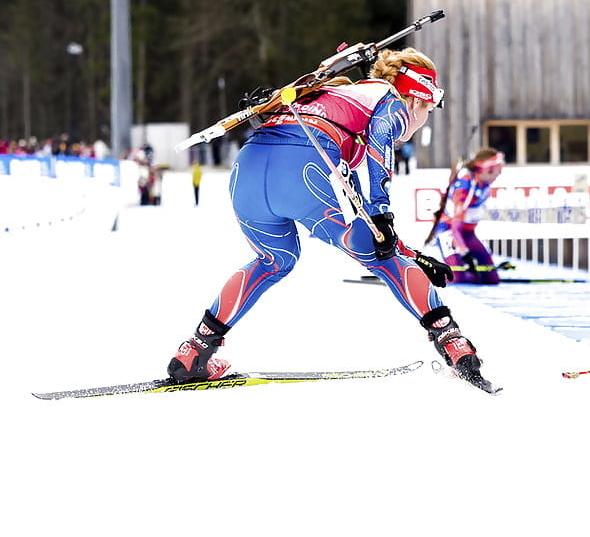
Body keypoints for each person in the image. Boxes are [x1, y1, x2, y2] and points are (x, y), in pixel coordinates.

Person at [166, 47, 497, 392]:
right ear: (418, 101)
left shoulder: (334, 94)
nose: (424, 118)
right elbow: (380, 146)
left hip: (246, 171)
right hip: (302, 168)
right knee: (382, 260)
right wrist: (384, 218)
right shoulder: (392, 100)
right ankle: (454, 345)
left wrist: (411, 254)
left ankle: (195, 351)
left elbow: (364, 217)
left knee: (273, 260)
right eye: (429, 109)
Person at [426, 148, 507, 285]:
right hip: (449, 230)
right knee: (458, 278)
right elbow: (455, 229)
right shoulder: (466, 184)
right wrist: (465, 254)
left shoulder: (484, 183)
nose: (499, 174)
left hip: (467, 233)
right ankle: (429, 275)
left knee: (492, 278)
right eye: (497, 170)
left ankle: (468, 271)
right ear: (485, 169)